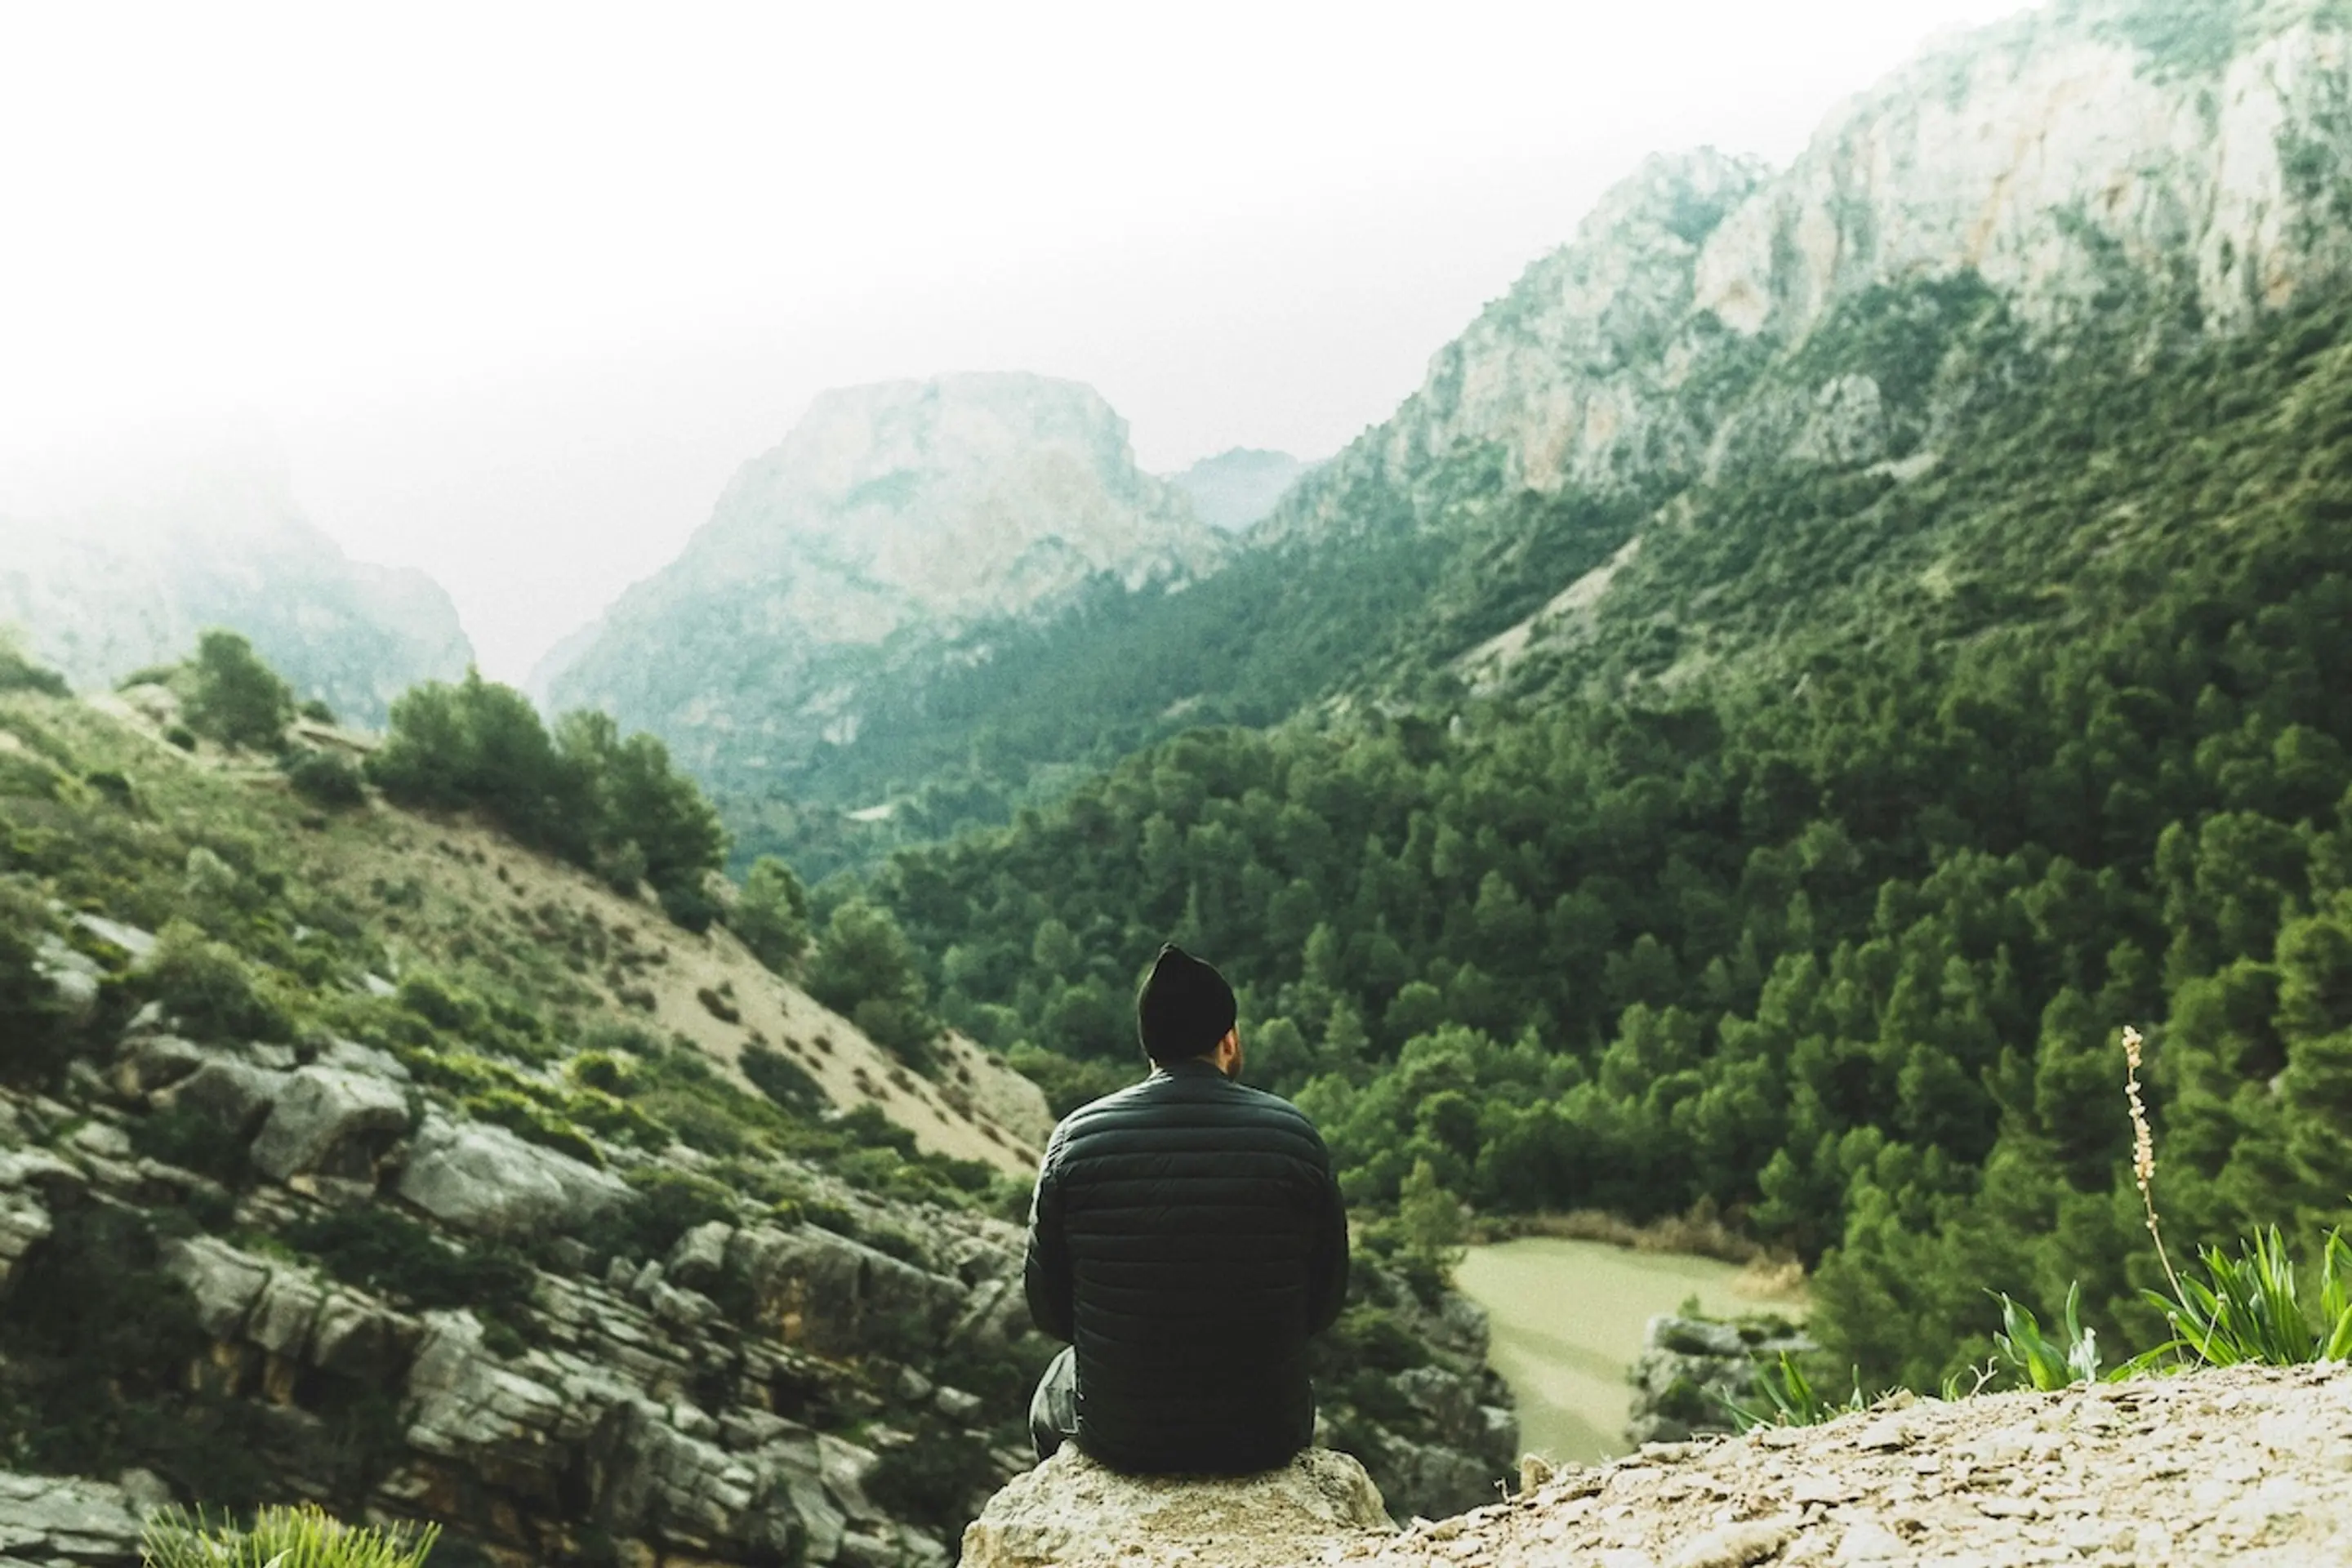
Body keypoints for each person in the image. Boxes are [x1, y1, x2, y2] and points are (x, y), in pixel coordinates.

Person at [1022, 942, 1351, 1474]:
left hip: (1123, 1437)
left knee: (1054, 1385)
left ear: (1149, 1047)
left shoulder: (1075, 1138)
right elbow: (1324, 1302)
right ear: (1229, 1040)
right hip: (1266, 1433)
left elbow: (1051, 1311)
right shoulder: (1294, 1135)